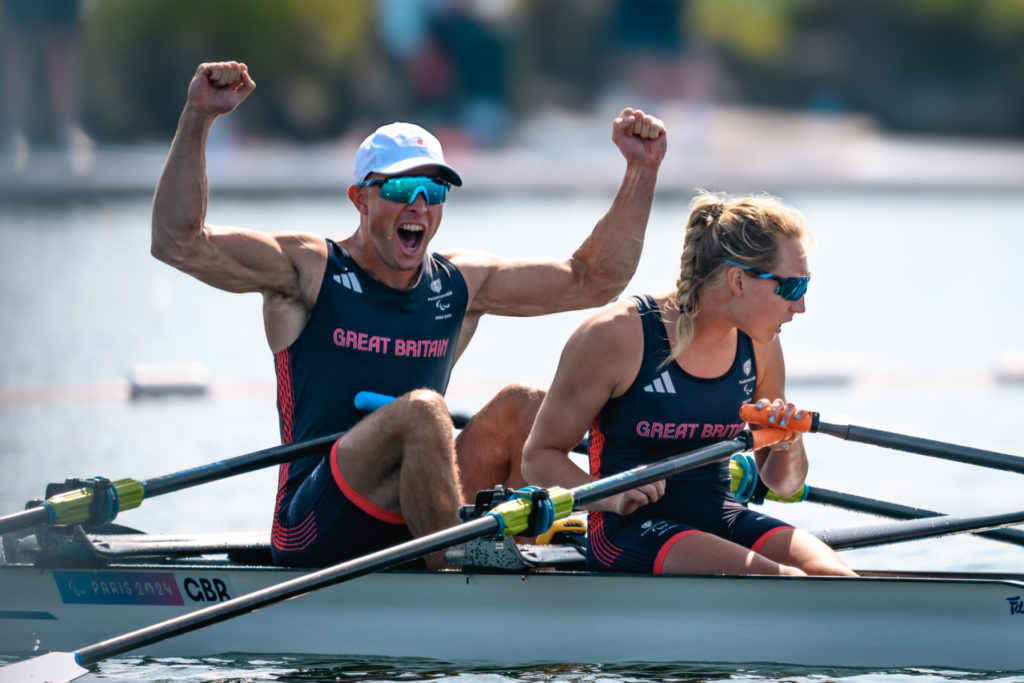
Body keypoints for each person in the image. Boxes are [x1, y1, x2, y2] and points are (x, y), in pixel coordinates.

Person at [151, 61, 667, 569]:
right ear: (360, 199)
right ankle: (464, 559)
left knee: (523, 406)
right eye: (399, 189)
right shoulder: (307, 271)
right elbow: (179, 243)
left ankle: (613, 536)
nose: (418, 205)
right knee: (422, 412)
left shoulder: (460, 283)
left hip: (415, 511)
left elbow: (594, 278)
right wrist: (199, 115)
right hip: (314, 523)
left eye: (433, 190)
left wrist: (641, 172)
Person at [521, 191, 856, 576]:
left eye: (805, 286)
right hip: (628, 529)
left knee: (840, 582)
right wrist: (608, 495)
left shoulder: (761, 342)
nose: (800, 306)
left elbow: (782, 485)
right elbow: (537, 458)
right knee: (786, 582)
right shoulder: (616, 336)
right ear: (738, 281)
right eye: (791, 288)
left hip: (721, 515)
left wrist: (789, 443)